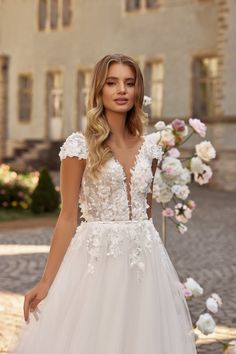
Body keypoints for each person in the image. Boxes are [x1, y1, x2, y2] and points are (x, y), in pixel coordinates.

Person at [11, 53, 197, 354]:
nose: (121, 90)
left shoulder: (149, 148)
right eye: (112, 83)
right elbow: (68, 218)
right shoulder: (78, 146)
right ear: (99, 90)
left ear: (138, 90)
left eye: (129, 83)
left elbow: (145, 212)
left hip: (143, 262)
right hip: (96, 262)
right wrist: (47, 282)